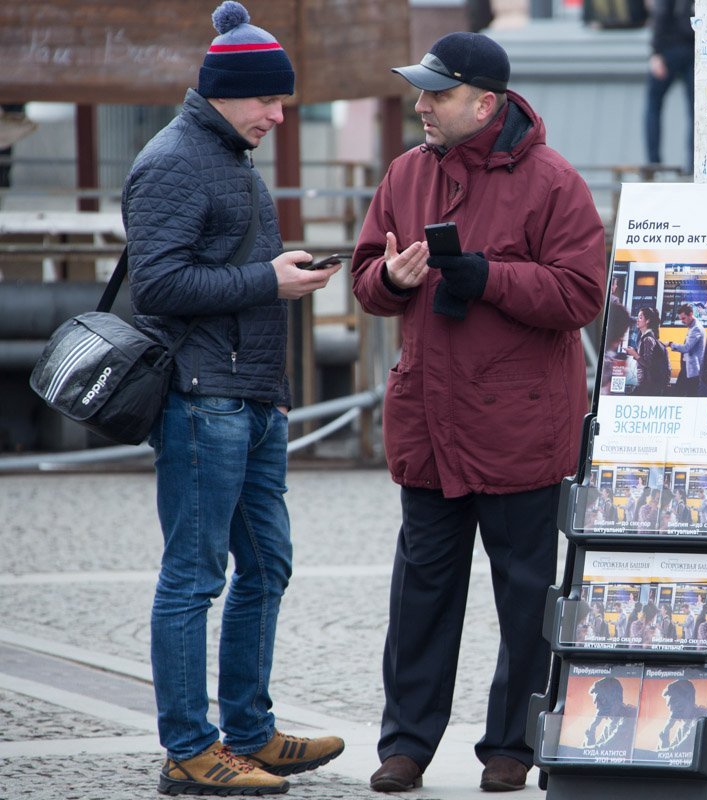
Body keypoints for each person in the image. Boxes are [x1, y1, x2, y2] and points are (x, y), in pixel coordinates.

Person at [350, 32, 606, 794]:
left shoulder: (555, 181)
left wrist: (487, 276)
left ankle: (513, 745)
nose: (421, 105)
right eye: (421, 91)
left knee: (525, 596)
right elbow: (365, 277)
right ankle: (405, 744)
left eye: (437, 93)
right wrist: (391, 280)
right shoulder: (404, 173)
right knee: (421, 594)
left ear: (485, 103)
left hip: (521, 430)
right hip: (429, 425)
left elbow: (580, 296)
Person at [121, 3, 346, 794]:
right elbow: (158, 286)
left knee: (267, 567)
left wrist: (277, 289)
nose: (279, 116)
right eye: (268, 102)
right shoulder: (176, 158)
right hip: (201, 399)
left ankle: (248, 731)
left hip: (250, 400)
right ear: (225, 92)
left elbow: (221, 273)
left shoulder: (226, 154)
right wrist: (267, 278)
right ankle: (189, 749)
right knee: (194, 576)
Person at [645, 0, 695, 171]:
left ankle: (654, 162)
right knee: (696, 111)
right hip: (695, 48)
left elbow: (661, 12)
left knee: (653, 105)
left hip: (668, 48)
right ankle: (694, 164)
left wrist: (656, 52)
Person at [583, 677, 637, 753]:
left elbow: (608, 747)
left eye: (601, 700)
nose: (598, 707)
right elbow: (592, 754)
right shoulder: (610, 724)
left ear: (615, 699)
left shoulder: (631, 715)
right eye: (595, 702)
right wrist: (592, 727)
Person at [625, 306, 670, 396]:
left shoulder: (648, 339)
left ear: (647, 321)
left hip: (648, 385)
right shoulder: (647, 337)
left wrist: (635, 354)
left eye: (640, 317)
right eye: (638, 317)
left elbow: (649, 364)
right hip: (648, 384)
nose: (637, 320)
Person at [658, 679, 706, 752]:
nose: (672, 709)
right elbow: (665, 757)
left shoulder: (701, 719)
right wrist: (666, 730)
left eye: (675, 702)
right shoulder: (683, 728)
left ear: (690, 698)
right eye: (669, 705)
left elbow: (678, 750)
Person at [668, 302, 704, 396]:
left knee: (686, 394)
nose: (682, 321)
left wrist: (671, 344)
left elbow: (686, 348)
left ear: (691, 314)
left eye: (683, 318)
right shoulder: (692, 326)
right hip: (687, 368)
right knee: (679, 393)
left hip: (692, 371)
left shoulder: (696, 328)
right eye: (681, 319)